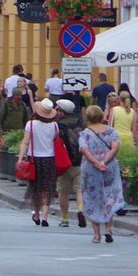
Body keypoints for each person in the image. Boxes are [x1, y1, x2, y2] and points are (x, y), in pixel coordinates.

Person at [78, 105, 124, 243]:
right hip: (109, 168)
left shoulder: (85, 133)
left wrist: (96, 163)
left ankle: (96, 234)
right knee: (108, 197)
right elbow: (115, 147)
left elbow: (84, 150)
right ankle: (108, 230)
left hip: (91, 170)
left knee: (93, 199)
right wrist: (104, 161)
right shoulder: (111, 131)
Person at [19, 99, 60, 227]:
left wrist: (20, 158)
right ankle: (45, 217)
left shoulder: (30, 124)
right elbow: (56, 142)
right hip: (50, 159)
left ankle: (36, 214)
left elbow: (25, 142)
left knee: (35, 188)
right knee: (47, 189)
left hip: (34, 159)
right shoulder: (54, 126)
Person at [53, 98, 85, 228]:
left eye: (57, 109)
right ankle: (80, 210)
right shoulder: (80, 122)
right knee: (79, 190)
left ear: (62, 111)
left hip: (64, 162)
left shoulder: (59, 126)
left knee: (63, 191)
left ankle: (65, 218)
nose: (55, 111)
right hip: (79, 161)